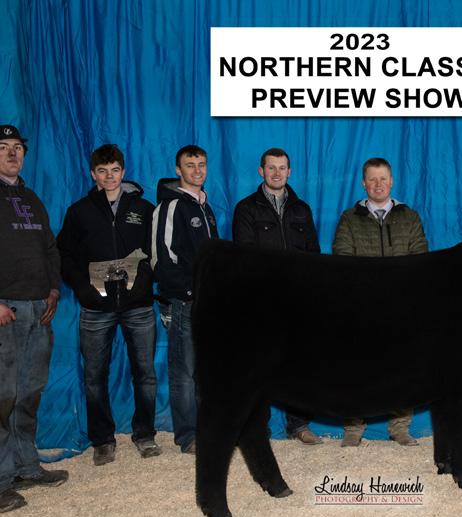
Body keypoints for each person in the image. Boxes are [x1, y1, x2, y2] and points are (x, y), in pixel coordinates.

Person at [57, 144, 160, 465]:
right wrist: (82, 288)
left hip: (138, 305)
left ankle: (145, 434)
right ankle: (102, 440)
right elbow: (65, 255)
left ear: (123, 172)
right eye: (102, 171)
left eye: (115, 170)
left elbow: (156, 251)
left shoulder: (144, 208)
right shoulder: (79, 211)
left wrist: (144, 281)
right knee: (94, 375)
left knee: (145, 373)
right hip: (96, 307)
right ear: (93, 174)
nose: (109, 176)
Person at [332, 157, 428, 447]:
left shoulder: (409, 217)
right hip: (361, 306)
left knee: (402, 367)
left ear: (392, 181)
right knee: (356, 367)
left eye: (383, 178)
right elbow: (342, 260)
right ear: (364, 183)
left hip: (401, 305)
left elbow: (420, 259)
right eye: (372, 179)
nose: (378, 184)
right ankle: (353, 427)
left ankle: (399, 427)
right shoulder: (349, 218)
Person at [232, 148, 323, 445]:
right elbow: (245, 255)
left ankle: (299, 424)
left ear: (289, 171)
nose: (276, 173)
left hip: (298, 300)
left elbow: (313, 255)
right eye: (271, 168)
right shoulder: (246, 209)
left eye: (282, 168)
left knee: (298, 363)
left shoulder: (302, 209)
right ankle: (258, 426)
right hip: (262, 298)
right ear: (261, 171)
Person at [0, 124, 68, 513]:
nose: (12, 153)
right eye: (3, 147)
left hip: (37, 308)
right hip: (5, 310)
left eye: (17, 147)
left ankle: (26, 466)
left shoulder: (31, 198)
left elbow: (50, 248)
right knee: (1, 396)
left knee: (29, 391)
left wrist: (53, 289)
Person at [152, 145, 219, 454]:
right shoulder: (170, 207)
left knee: (205, 370)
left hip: (209, 303)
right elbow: (160, 258)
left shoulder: (205, 206)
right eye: (190, 165)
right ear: (178, 170)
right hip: (185, 302)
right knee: (184, 371)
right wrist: (187, 292)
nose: (197, 170)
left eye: (201, 164)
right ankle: (188, 435)